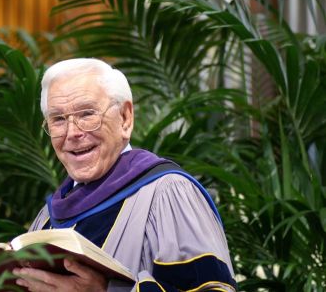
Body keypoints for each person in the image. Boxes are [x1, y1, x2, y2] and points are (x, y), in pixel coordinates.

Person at [13, 58, 236, 291]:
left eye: (87, 114)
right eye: (58, 119)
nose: (72, 132)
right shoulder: (47, 218)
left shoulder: (168, 194)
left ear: (125, 118)